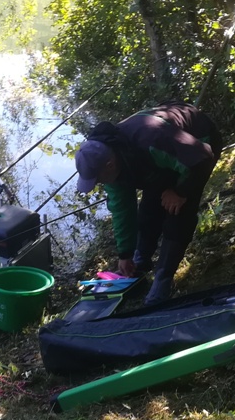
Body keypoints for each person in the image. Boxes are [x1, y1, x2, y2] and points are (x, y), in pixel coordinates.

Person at [75, 100, 223, 305]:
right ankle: (140, 263)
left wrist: (180, 191)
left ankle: (163, 278)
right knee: (148, 212)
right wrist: (125, 254)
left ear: (109, 165)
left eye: (97, 179)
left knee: (177, 213)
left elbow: (203, 157)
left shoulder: (151, 139)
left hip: (197, 149)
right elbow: (122, 210)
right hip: (160, 162)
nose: (99, 183)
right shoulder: (109, 165)